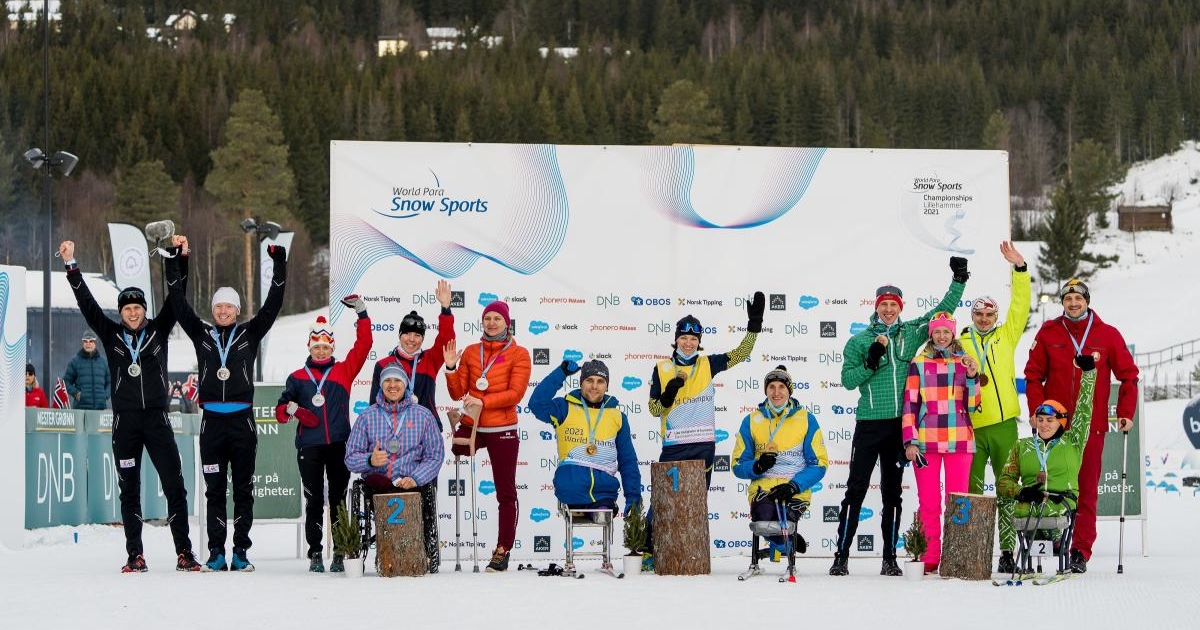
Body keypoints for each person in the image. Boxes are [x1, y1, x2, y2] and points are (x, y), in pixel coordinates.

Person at [59, 238, 200, 572]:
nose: (133, 312)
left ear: (144, 310)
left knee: (174, 486)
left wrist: (180, 259)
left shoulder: (159, 329)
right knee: (129, 490)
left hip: (157, 419)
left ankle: (184, 552)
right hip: (125, 423)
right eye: (127, 308)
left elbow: (177, 297)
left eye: (137, 307)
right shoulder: (111, 335)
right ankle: (135, 554)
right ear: (121, 312)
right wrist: (71, 265)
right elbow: (87, 305)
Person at [830, 256, 969, 577]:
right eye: (884, 305)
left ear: (900, 307)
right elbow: (848, 380)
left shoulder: (911, 332)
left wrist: (959, 280)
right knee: (855, 490)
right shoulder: (859, 340)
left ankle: (890, 558)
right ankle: (841, 555)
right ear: (876, 307)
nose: (889, 310)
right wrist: (871, 360)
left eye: (894, 305)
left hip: (900, 426)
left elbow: (942, 312)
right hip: (869, 424)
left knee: (892, 493)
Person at [165, 235, 287, 572]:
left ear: (237, 310)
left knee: (244, 490)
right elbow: (177, 301)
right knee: (215, 491)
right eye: (218, 306)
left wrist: (279, 264)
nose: (223, 311)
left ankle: (241, 552)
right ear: (213, 309)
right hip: (212, 425)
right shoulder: (200, 333)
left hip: (242, 423)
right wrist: (174, 260)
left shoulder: (250, 333)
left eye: (229, 307)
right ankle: (216, 552)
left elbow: (274, 303)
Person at [1024, 278, 1139, 573]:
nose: (1073, 303)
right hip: (1054, 425)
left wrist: (1125, 411)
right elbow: (1033, 375)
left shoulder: (1107, 334)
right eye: (1068, 299)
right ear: (1062, 302)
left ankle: (1080, 550)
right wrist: (1037, 411)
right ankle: (1053, 538)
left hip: (1092, 426)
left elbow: (1129, 376)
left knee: (1086, 489)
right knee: (1051, 484)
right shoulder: (1049, 332)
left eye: (1078, 298)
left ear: (1087, 301)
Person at [275, 297, 372, 573]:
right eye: (316, 346)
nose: (320, 351)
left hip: (339, 444)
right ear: (309, 347)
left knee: (338, 500)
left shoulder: (344, 370)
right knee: (314, 500)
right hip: (309, 447)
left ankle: (340, 551)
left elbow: (364, 345)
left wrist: (362, 314)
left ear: (332, 348)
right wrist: (293, 409)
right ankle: (316, 552)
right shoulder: (297, 377)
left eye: (325, 347)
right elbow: (280, 413)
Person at [442, 300, 531, 572]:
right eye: (487, 318)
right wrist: (450, 369)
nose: (491, 323)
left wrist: (483, 401)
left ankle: (502, 549)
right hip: (473, 424)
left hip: (502, 428)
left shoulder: (519, 354)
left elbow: (515, 394)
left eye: (497, 318)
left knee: (505, 491)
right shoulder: (471, 351)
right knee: (456, 449)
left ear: (507, 323)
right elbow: (457, 393)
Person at [960, 241, 1030, 573]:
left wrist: (1020, 269)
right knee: (971, 490)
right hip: (971, 426)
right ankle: (971, 551)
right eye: (979, 314)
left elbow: (1021, 305)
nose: (984, 319)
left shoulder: (1006, 335)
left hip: (1004, 425)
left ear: (996, 317)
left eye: (989, 315)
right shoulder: (959, 342)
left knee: (1007, 489)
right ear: (972, 316)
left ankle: (1006, 550)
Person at [901, 312, 982, 575]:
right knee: (929, 502)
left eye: (946, 331)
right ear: (931, 334)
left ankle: (955, 555)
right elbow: (910, 404)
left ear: (953, 334)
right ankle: (930, 556)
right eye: (937, 331)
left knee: (958, 503)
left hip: (960, 440)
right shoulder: (919, 363)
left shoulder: (964, 362)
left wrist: (972, 376)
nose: (942, 336)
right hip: (927, 442)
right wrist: (910, 441)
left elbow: (973, 406)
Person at [344, 364, 445, 573]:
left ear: (405, 384)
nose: (392, 385)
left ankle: (422, 554)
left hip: (412, 483)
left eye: (397, 380)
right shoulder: (367, 417)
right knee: (376, 482)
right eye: (387, 381)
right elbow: (350, 458)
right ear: (381, 386)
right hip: (379, 484)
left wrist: (416, 478)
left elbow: (435, 455)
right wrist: (370, 460)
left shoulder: (424, 415)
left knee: (422, 488)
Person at [999, 356, 1099, 560]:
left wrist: (1088, 374)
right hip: (1031, 502)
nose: (1044, 425)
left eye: (1050, 420)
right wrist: (1022, 491)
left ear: (1061, 422)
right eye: (1041, 419)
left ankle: (1055, 539)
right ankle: (1010, 554)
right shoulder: (1023, 446)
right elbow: (1004, 481)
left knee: (1047, 512)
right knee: (1009, 501)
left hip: (1060, 502)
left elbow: (1084, 411)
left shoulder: (1072, 441)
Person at [732, 365, 828, 563]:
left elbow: (819, 464)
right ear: (766, 390)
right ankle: (786, 544)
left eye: (782, 387)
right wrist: (758, 466)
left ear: (789, 390)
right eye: (772, 387)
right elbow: (738, 465)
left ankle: (782, 545)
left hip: (794, 489)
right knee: (764, 521)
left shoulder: (806, 419)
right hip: (763, 489)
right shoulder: (752, 420)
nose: (776, 392)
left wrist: (794, 486)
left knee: (784, 521)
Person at [529, 358, 643, 515]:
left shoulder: (618, 416)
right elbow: (536, 404)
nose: (594, 386)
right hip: (571, 489)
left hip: (603, 493)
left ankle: (598, 512)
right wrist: (561, 373)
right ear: (581, 383)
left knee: (603, 514)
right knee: (586, 510)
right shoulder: (564, 408)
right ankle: (585, 510)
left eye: (600, 381)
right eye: (589, 380)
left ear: (607, 386)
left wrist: (633, 497)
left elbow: (627, 460)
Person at [368, 280, 455, 427]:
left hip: (426, 427)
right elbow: (374, 404)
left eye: (417, 335)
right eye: (407, 333)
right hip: (393, 430)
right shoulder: (383, 364)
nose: (412, 339)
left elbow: (447, 340)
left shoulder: (430, 360)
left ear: (422, 339)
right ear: (400, 335)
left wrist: (445, 309)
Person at [63, 331, 110, 409]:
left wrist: (105, 396)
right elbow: (65, 382)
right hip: (81, 409)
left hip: (100, 409)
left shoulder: (104, 362)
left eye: (91, 341)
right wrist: (76, 393)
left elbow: (110, 382)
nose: (88, 344)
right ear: (83, 343)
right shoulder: (75, 361)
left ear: (95, 343)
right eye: (85, 341)